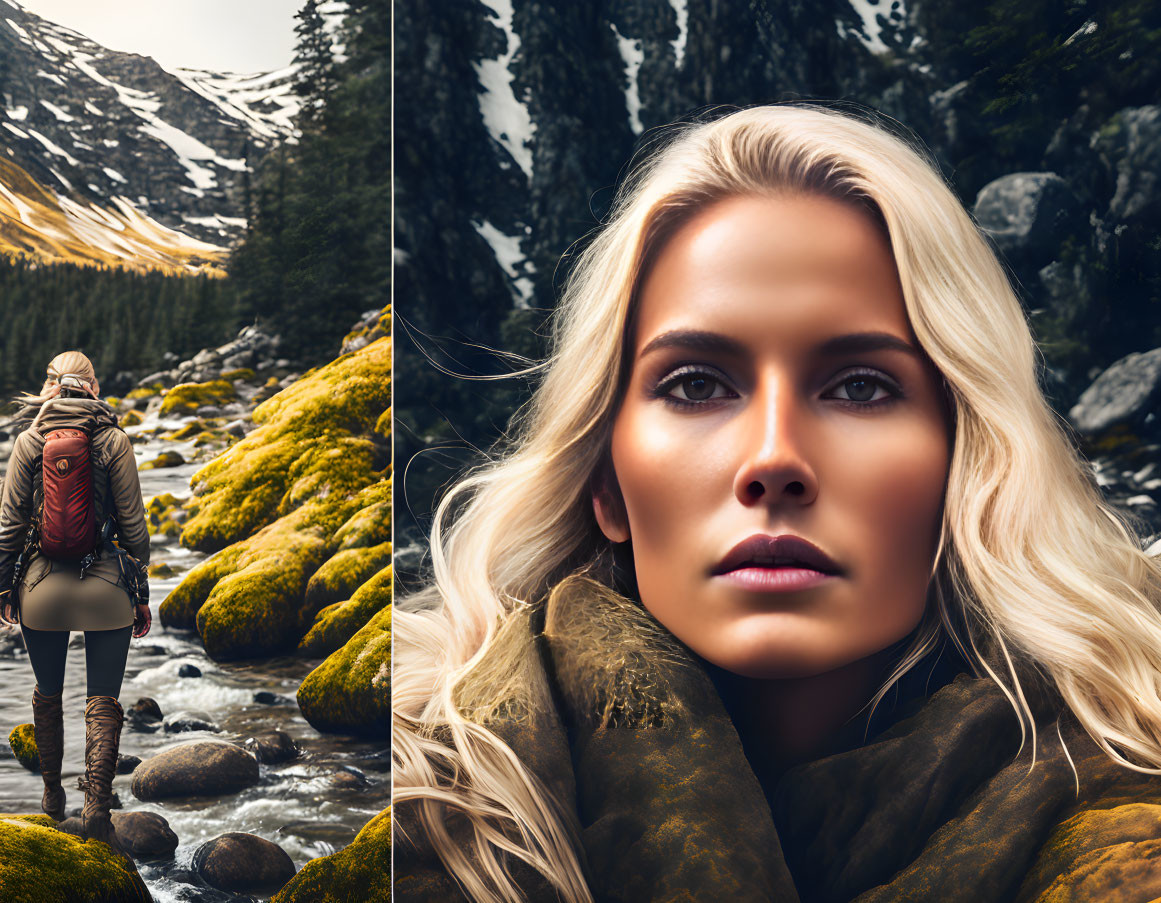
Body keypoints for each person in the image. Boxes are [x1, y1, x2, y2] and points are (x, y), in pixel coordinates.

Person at [392, 105, 1161, 902]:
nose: (772, 460)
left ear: (970, 458)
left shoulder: (1126, 773)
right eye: (694, 385)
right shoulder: (419, 798)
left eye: (860, 386)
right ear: (604, 481)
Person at [0, 350, 151, 856]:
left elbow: (9, 529)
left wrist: (5, 591)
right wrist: (141, 593)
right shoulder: (114, 440)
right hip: (105, 590)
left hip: (42, 593)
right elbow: (135, 533)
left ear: (49, 387)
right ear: (93, 387)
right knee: (102, 700)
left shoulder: (27, 441)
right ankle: (97, 814)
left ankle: (50, 798)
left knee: (47, 692)